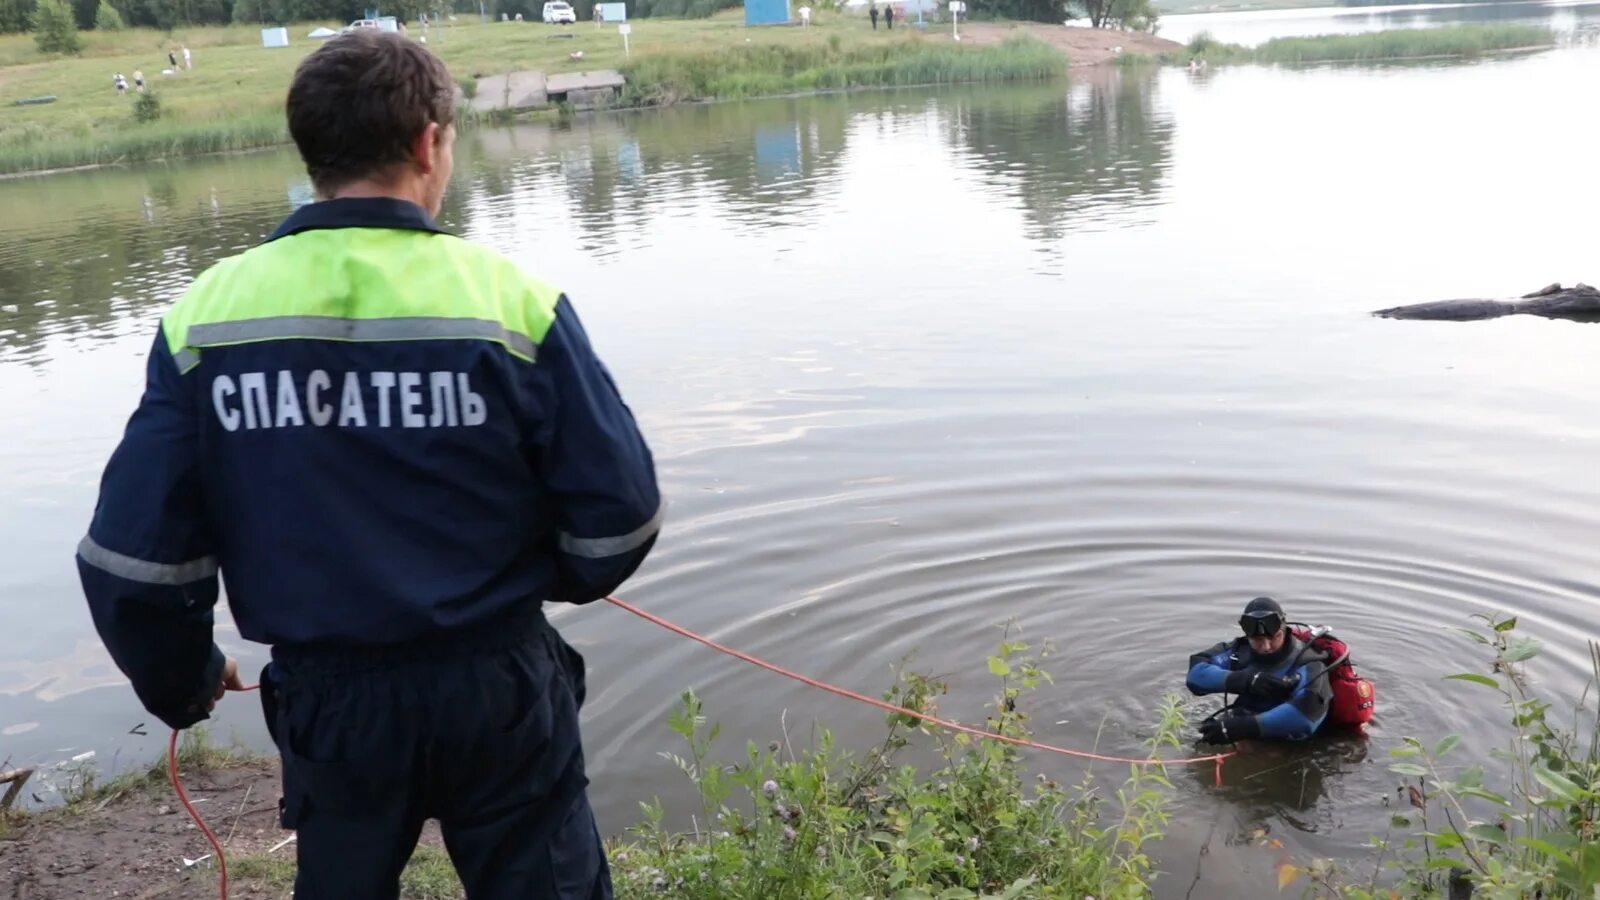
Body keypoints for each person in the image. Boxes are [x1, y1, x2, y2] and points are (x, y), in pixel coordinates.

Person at [75, 30, 660, 900]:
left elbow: (133, 561)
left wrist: (186, 679)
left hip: (331, 702)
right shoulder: (512, 301)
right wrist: (544, 580)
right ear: (430, 143)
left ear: (312, 150)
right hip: (496, 683)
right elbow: (620, 516)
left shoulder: (207, 317)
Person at [1186, 597, 1332, 743]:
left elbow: (1305, 718)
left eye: (1275, 637)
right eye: (1257, 640)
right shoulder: (1239, 651)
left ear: (1283, 629)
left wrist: (1239, 729)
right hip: (1247, 727)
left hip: (1289, 742)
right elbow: (1196, 674)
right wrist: (1247, 680)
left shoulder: (1309, 663)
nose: (1266, 647)